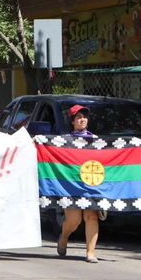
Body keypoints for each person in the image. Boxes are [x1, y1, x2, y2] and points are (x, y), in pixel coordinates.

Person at [58, 105, 101, 263]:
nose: (83, 119)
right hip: (71, 186)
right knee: (74, 220)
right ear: (72, 121)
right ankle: (64, 237)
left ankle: (90, 253)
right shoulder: (64, 141)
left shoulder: (97, 141)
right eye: (79, 117)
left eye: (85, 117)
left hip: (91, 184)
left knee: (91, 216)